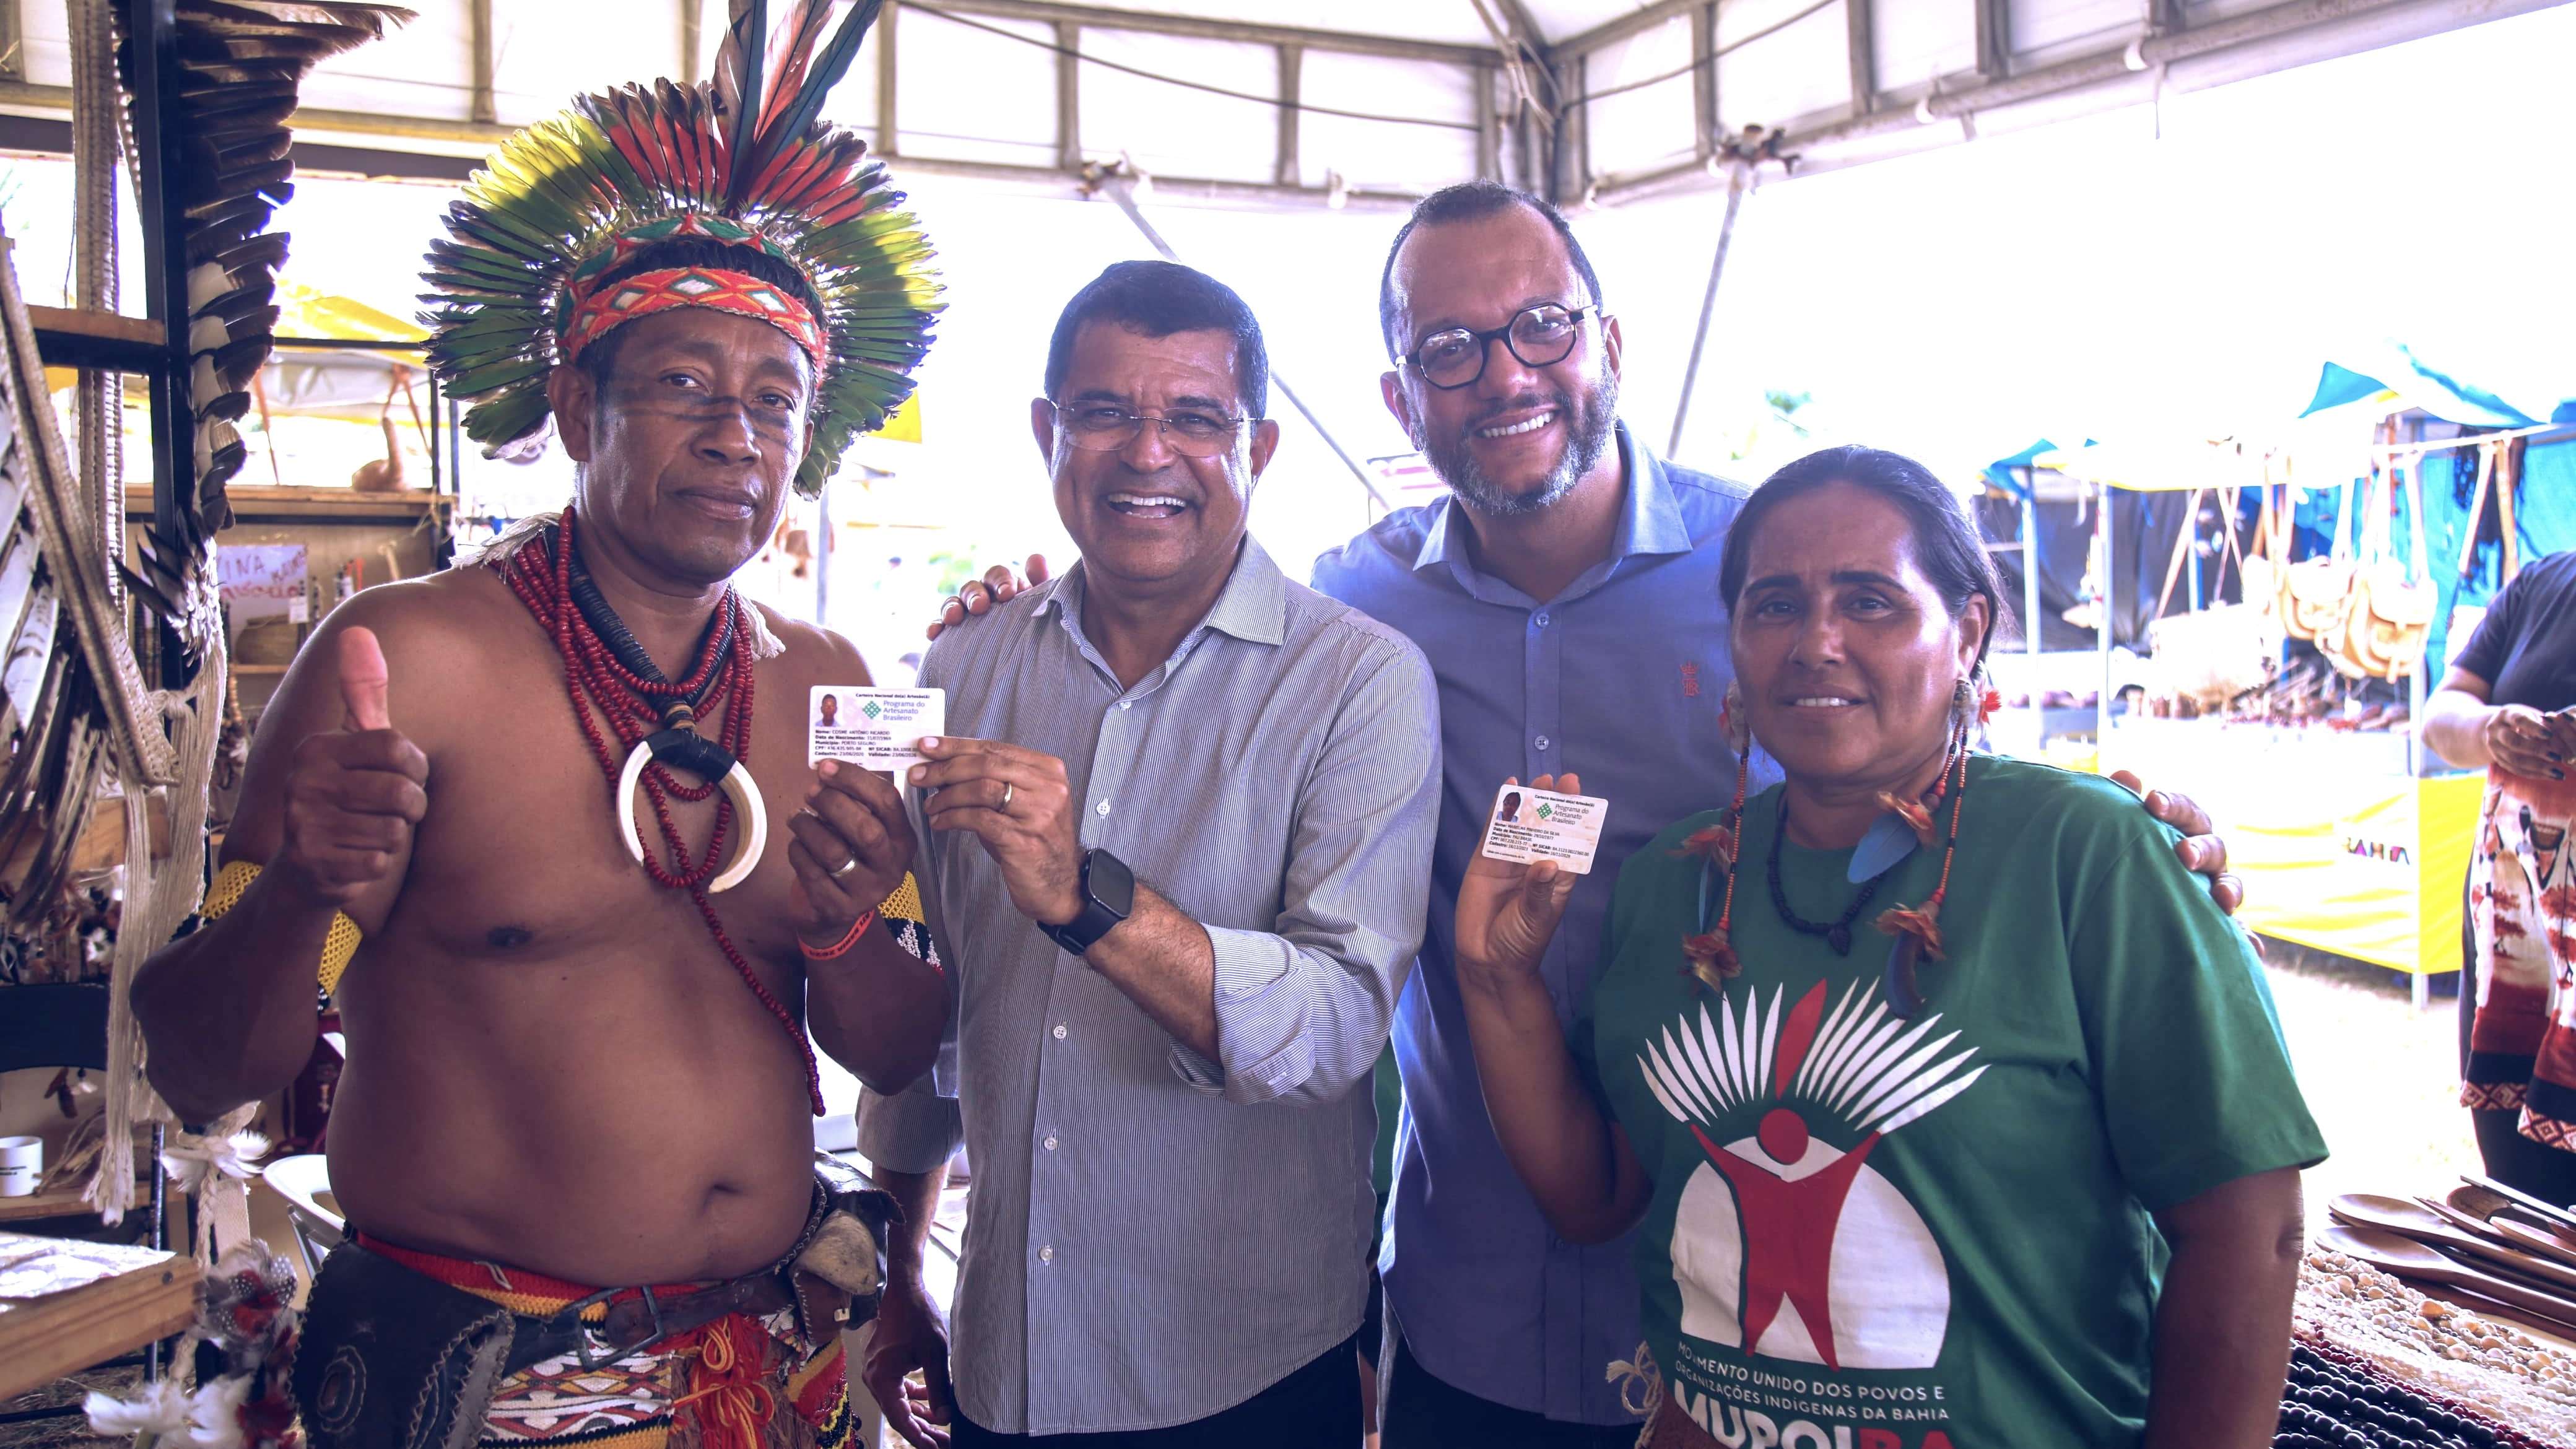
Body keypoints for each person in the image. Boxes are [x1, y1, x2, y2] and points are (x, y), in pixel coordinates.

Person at [929, 181, 2243, 1448]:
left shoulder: (1770, 575)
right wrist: (1029, 606)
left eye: (1541, 324)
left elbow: (1946, 779)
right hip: (1473, 1303)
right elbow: (1174, 584)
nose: (1504, 373)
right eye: (1448, 348)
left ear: (1606, 340)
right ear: (1400, 398)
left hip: (1810, 1322)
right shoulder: (1357, 617)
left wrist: (2133, 833)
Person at [130, 17, 947, 1447]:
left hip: (773, 1366)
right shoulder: (410, 666)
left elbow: (898, 1045)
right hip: (496, 1383)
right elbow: (209, 1070)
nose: (737, 436)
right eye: (685, 384)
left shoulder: (827, 679)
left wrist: (837, 922)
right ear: (575, 401)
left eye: (776, 401)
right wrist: (315, 886)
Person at [1451, 445, 2325, 1449]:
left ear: (1968, 632)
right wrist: (1496, 979)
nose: (1816, 642)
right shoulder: (1678, 885)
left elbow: (2249, 1235)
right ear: (1734, 639)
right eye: (1774, 605)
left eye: (1870, 601)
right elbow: (1596, 1198)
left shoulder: (2089, 855)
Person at [855, 261, 1440, 1448]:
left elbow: (1332, 1025)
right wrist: (898, 1266)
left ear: (1259, 448)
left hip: (1238, 1368)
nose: (1147, 453)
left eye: (1195, 418)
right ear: (1046, 433)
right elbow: (937, 996)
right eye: (1104, 413)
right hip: (1003, 1347)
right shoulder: (962, 673)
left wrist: (1088, 900)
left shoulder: (1360, 682)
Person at [2425, 546, 2576, 1202]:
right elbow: (2441, 715)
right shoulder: (2544, 581)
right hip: (2517, 942)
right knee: (2520, 1190)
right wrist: (2489, 729)